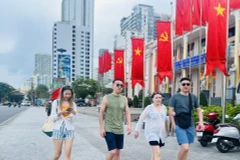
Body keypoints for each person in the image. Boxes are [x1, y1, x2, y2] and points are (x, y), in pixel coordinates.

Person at [169, 77, 204, 160]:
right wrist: (173, 124)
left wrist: (201, 122)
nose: (186, 86)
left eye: (188, 84)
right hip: (179, 124)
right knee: (185, 147)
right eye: (183, 84)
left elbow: (198, 110)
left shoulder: (193, 97)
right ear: (180, 86)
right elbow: (170, 111)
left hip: (190, 124)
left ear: (190, 86)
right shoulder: (175, 97)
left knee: (187, 148)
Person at [99, 79, 132, 160]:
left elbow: (127, 112)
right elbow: (101, 113)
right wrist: (101, 128)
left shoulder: (124, 99)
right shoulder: (106, 98)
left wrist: (129, 125)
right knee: (112, 151)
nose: (119, 87)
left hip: (120, 129)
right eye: (117, 85)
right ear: (113, 86)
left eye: (121, 85)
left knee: (117, 153)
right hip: (109, 129)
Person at [134, 92, 168, 160]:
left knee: (155, 152)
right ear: (153, 99)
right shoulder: (149, 108)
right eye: (156, 98)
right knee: (158, 152)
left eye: (160, 98)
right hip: (151, 133)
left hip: (161, 133)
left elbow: (165, 119)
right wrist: (137, 130)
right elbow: (141, 119)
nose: (158, 99)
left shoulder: (164, 108)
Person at [50, 85, 77, 160]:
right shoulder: (56, 102)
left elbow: (75, 117)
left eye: (69, 94)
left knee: (68, 154)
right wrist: (60, 113)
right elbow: (52, 117)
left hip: (69, 129)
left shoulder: (73, 104)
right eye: (66, 94)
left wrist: (74, 112)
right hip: (58, 129)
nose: (68, 96)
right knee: (57, 154)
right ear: (62, 93)